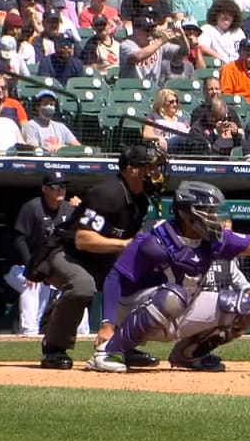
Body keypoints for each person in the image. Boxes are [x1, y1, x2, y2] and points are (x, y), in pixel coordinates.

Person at [84, 181, 250, 373]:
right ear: (187, 213)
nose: (214, 218)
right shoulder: (154, 240)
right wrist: (107, 323)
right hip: (135, 308)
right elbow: (115, 278)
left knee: (244, 306)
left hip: (179, 308)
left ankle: (189, 355)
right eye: (207, 211)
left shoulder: (212, 240)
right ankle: (110, 351)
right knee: (174, 296)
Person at [28, 142, 168, 370]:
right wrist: (125, 244)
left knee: (141, 283)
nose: (155, 174)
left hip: (101, 259)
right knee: (83, 286)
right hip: (66, 253)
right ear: (132, 169)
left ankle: (124, 345)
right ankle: (54, 348)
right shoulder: (108, 193)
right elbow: (83, 239)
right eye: (150, 167)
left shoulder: (140, 201)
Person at [5, 173, 88, 336]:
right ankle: (29, 331)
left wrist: (81, 211)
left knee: (78, 286)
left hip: (51, 267)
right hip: (19, 266)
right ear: (45, 189)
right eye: (56, 187)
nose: (61, 191)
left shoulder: (69, 209)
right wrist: (31, 266)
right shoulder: (32, 208)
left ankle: (83, 332)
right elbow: (19, 240)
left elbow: (84, 233)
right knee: (33, 284)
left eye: (63, 186)